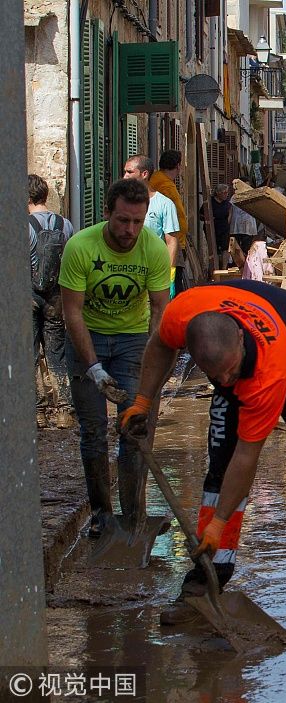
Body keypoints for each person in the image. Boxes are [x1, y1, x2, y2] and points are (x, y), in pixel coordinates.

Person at [119, 280, 286, 638]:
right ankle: (206, 580)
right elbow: (161, 345)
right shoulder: (182, 313)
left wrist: (219, 522)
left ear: (240, 339)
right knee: (218, 469)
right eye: (214, 375)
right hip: (255, 343)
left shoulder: (268, 370)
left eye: (229, 370)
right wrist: (143, 402)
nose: (224, 379)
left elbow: (248, 455)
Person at [58, 178, 171, 538]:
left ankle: (133, 515)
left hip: (132, 340)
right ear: (107, 213)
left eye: (137, 222)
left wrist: (151, 366)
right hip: (86, 335)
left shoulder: (152, 249)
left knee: (134, 429)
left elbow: (159, 311)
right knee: (92, 431)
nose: (130, 230)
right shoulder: (79, 247)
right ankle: (102, 516)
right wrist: (92, 368)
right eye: (123, 221)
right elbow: (71, 313)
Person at [29, 174, 77, 429]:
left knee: (32, 353)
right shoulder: (65, 224)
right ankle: (65, 411)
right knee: (57, 352)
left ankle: (37, 411)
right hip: (56, 296)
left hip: (29, 294)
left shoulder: (22, 225)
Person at [123, 155, 180, 279]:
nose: (125, 176)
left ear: (144, 174)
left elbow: (171, 242)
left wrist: (169, 275)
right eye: (125, 172)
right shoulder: (121, 203)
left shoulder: (165, 204)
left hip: (152, 272)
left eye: (130, 172)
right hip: (124, 272)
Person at [151, 150, 188, 293]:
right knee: (174, 281)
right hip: (171, 240)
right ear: (178, 166)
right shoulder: (165, 185)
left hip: (172, 238)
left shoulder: (160, 181)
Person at [210, 184, 232, 269]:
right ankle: (214, 267)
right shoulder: (211, 202)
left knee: (225, 248)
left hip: (224, 228)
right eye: (224, 193)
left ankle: (224, 268)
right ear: (218, 193)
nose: (226, 194)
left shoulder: (227, 203)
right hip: (214, 228)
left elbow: (230, 211)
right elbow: (202, 215)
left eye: (227, 192)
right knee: (214, 249)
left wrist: (227, 222)